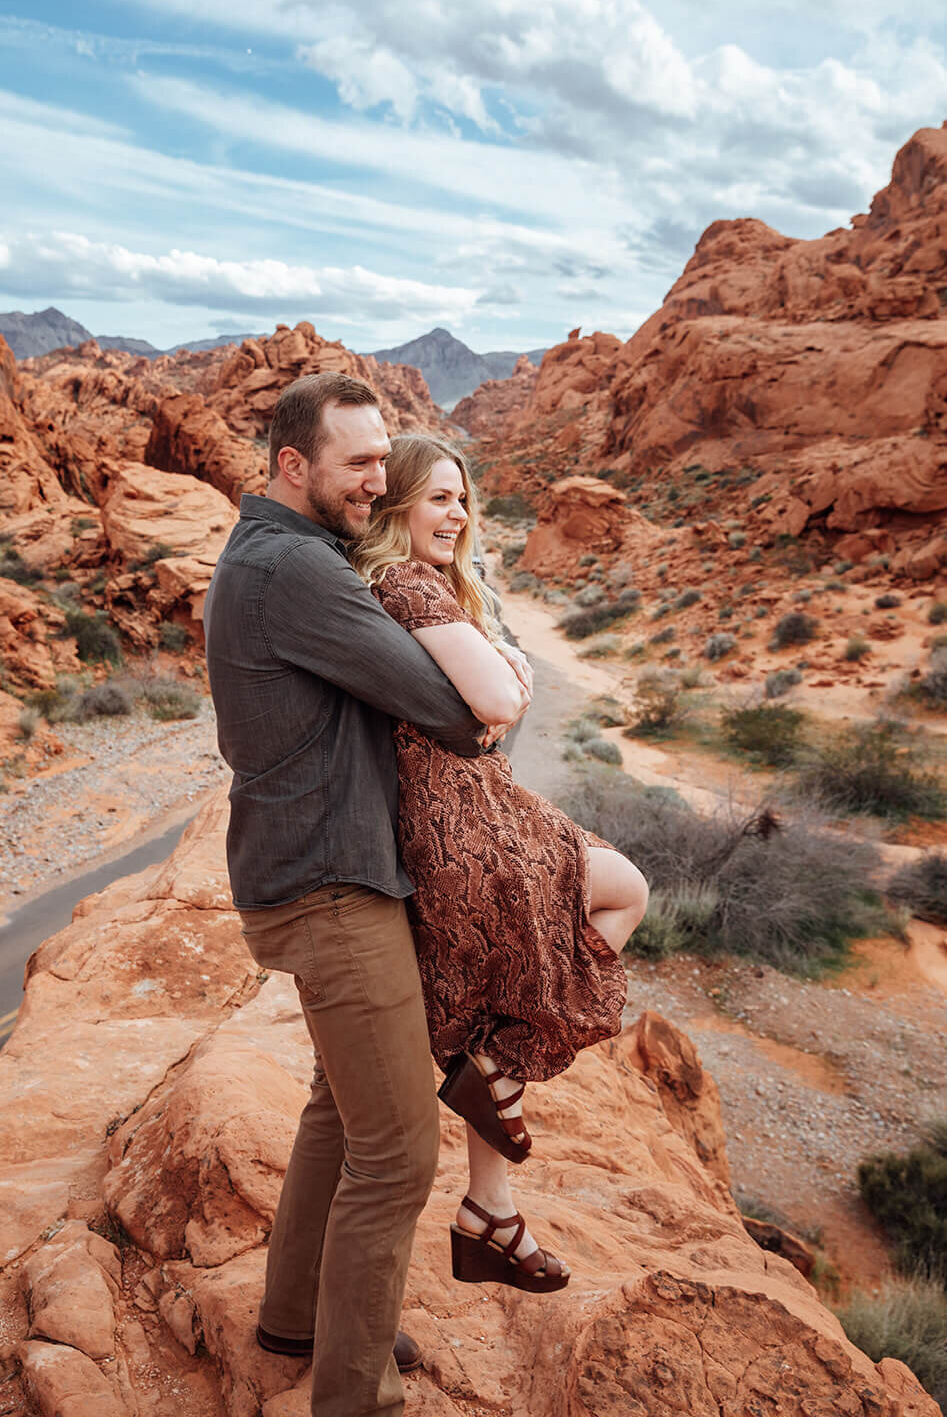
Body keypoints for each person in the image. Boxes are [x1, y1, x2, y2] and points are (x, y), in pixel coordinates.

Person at [203, 374, 491, 1417]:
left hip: (308, 874)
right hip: (330, 889)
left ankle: (295, 1317)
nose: (382, 479)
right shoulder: (297, 570)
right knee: (399, 1149)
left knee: (341, 1106)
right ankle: (353, 1396)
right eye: (359, 463)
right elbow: (453, 713)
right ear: (293, 465)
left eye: (385, 459)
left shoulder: (281, 556)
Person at [349, 433, 649, 1294]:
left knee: (501, 1003)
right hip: (463, 821)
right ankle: (496, 1080)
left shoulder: (411, 584)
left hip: (471, 805)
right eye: (437, 498)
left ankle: (491, 1213)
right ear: (398, 503)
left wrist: (505, 681)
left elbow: (491, 701)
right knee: (623, 890)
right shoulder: (405, 582)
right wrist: (510, 678)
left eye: (462, 499)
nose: (456, 514)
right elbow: (494, 700)